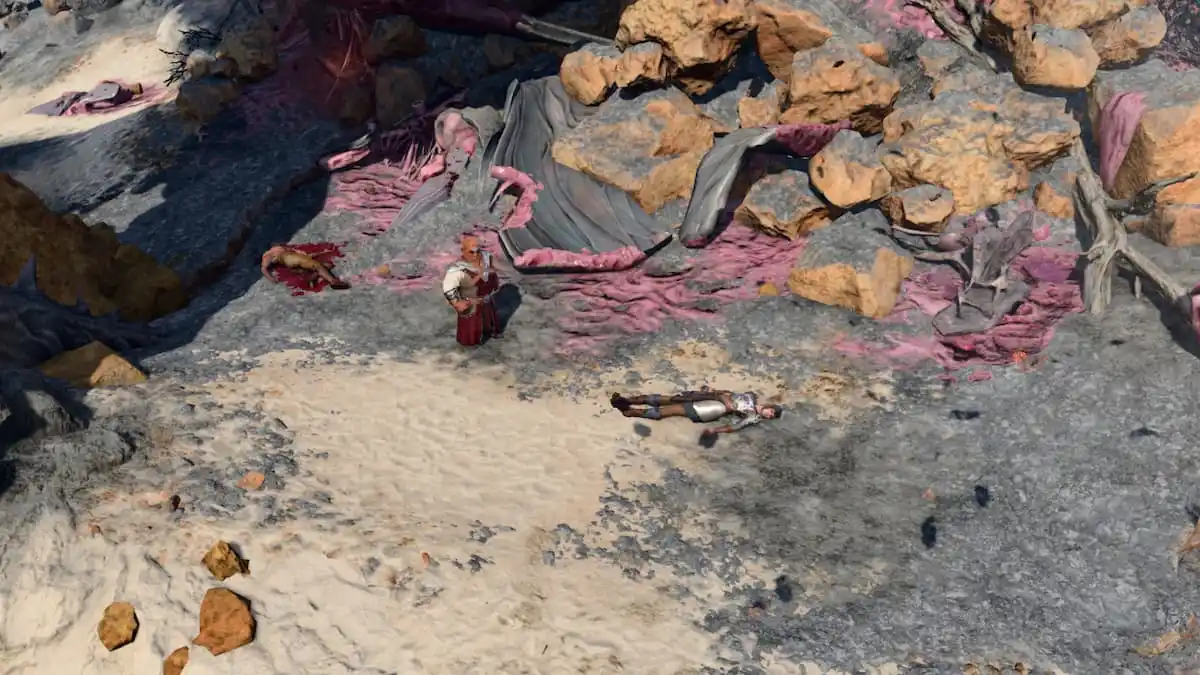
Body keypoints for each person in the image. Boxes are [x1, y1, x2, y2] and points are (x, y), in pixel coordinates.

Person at [609, 387, 781, 438]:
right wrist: (718, 394)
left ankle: (630, 412)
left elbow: (734, 427)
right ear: (769, 406)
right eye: (772, 411)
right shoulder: (751, 396)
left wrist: (715, 430)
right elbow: (728, 394)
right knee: (667, 398)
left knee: (668, 411)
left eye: (771, 416)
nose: (769, 414)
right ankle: (626, 401)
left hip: (709, 409)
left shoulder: (752, 418)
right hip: (708, 397)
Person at [442, 234, 503, 346]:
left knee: (488, 315)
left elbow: (495, 270)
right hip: (470, 300)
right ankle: (470, 340)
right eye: (471, 252)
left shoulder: (486, 257)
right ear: (463, 251)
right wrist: (456, 302)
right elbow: (448, 287)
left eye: (477, 251)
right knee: (471, 322)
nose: (475, 254)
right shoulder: (458, 268)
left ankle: (489, 331)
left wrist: (492, 276)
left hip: (486, 296)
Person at [260, 245, 349, 289]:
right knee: (317, 265)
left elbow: (306, 256)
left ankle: (313, 276)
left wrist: (322, 252)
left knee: (327, 265)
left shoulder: (280, 249)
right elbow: (263, 268)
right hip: (289, 258)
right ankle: (333, 281)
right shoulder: (269, 254)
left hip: (293, 260)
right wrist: (271, 278)